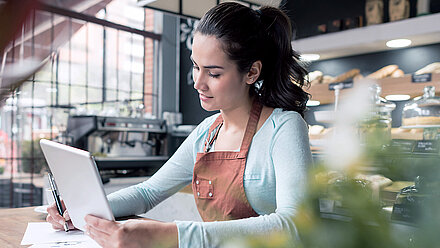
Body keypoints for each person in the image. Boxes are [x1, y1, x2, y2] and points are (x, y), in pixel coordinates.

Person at [46, 2, 312, 247]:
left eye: (214, 73)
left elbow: (293, 225)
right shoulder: (206, 133)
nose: (198, 82)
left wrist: (171, 234)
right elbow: (149, 192)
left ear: (251, 72)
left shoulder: (285, 127)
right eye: (196, 67)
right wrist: (81, 210)